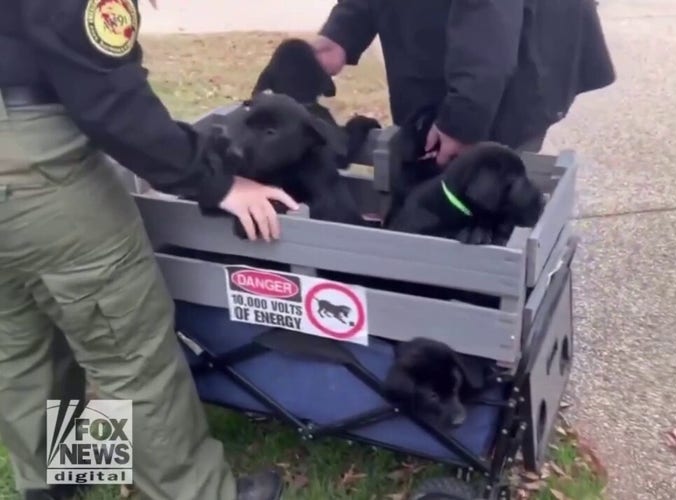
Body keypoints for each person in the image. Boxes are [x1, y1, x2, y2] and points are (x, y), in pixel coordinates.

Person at [1, 0, 291, 499]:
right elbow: (114, 108)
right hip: (38, 170)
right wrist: (217, 183)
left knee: (23, 346)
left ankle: (53, 482)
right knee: (127, 353)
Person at [311, 0, 616, 165]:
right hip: (452, 30)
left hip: (522, 46)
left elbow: (489, 30)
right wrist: (342, 32)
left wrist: (463, 119)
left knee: (479, 183)